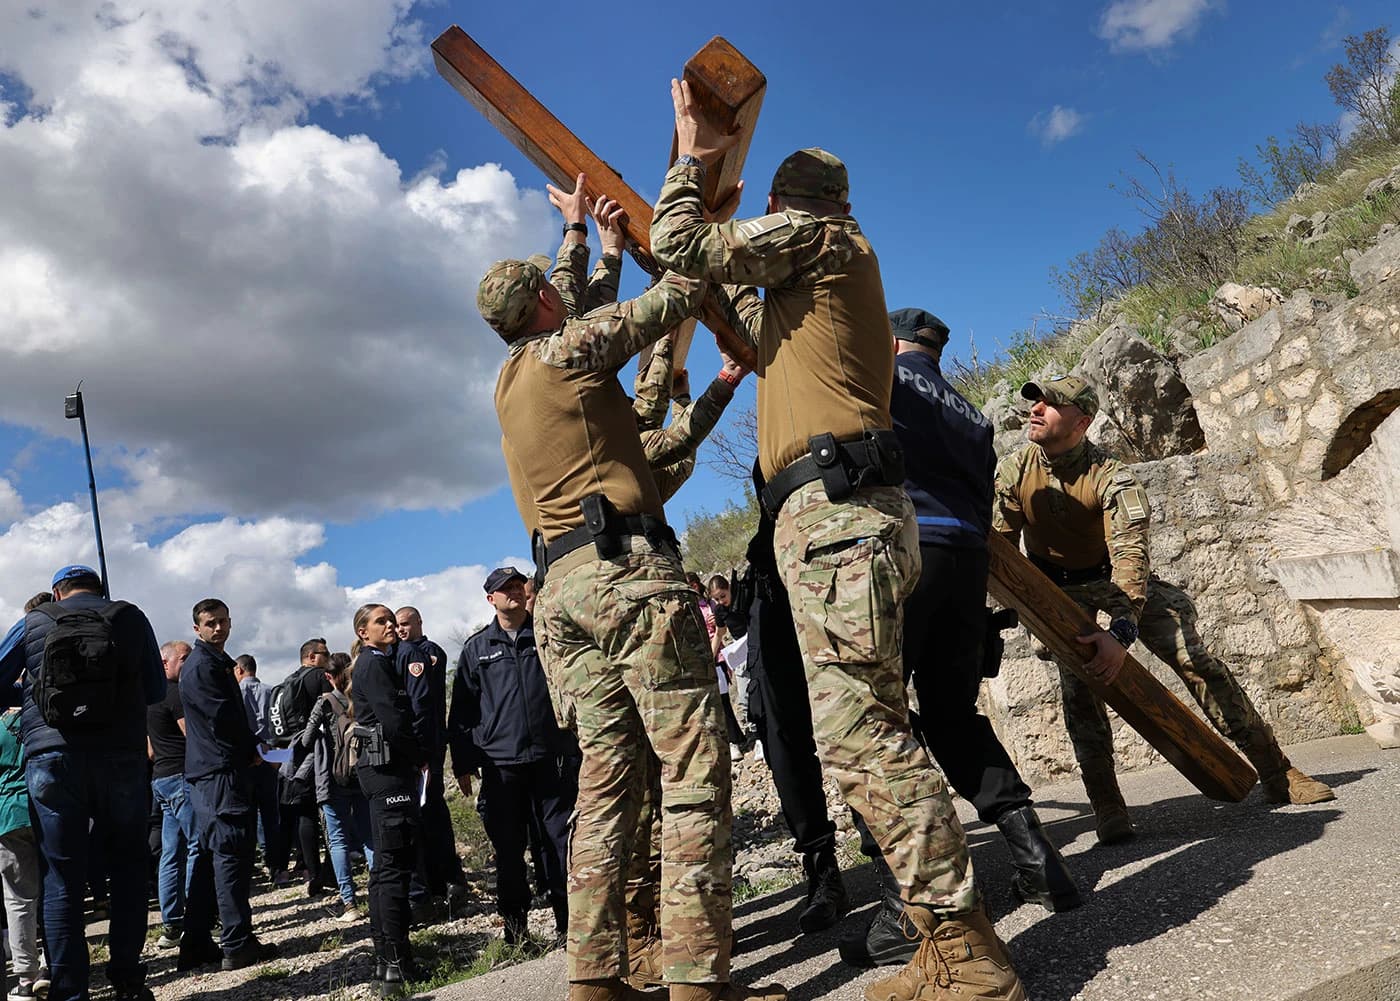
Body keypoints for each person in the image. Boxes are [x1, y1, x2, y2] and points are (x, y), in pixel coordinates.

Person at [652, 81, 1027, 1001]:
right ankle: (945, 945)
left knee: (865, 739)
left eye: (766, 216)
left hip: (839, 519)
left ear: (786, 210)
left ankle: (969, 955)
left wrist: (695, 158)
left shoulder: (817, 236)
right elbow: (731, 306)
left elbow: (679, 245)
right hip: (836, 516)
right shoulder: (817, 283)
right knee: (870, 730)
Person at [479, 168, 776, 1001]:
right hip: (628, 580)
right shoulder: (572, 347)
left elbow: (559, 302)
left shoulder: (508, 381)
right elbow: (674, 293)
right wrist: (697, 225)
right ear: (542, 302)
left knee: (605, 783)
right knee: (691, 768)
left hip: (562, 597)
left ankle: (594, 978)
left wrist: (583, 239)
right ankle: (696, 981)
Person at [993, 375, 1336, 842]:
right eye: (1034, 403)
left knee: (1197, 662)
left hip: (1115, 582)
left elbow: (1130, 558)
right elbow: (1003, 551)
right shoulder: (1014, 469)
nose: (1034, 410)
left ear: (1081, 422)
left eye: (1049, 406)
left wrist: (1120, 635)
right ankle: (1108, 807)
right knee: (1080, 692)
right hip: (1060, 593)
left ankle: (1278, 773)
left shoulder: (1113, 476)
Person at [0, 566, 166, 1001]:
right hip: (121, 756)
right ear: (100, 589)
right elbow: (154, 689)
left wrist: (32, 698)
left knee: (61, 875)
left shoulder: (35, 621)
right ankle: (128, 982)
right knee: (128, 868)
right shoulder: (129, 616)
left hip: (52, 757)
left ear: (57, 592)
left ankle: (70, 990)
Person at [450, 567, 579, 945]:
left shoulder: (547, 634)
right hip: (501, 766)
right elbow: (461, 712)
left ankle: (570, 926)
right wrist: (462, 763)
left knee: (560, 843)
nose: (513, 592)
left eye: (517, 585)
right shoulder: (476, 649)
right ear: (490, 599)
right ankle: (516, 932)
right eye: (503, 589)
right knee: (509, 851)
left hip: (551, 758)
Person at [179, 598, 278, 972]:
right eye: (210, 623)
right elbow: (221, 719)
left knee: (210, 858)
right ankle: (236, 942)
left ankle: (197, 944)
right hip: (220, 773)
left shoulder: (214, 663)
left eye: (222, 621)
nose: (218, 628)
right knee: (231, 855)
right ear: (197, 628)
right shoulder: (204, 665)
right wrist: (251, 748)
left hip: (213, 772)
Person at [350, 603, 426, 994]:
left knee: (384, 869)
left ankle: (388, 959)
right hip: (388, 772)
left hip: (382, 772)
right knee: (395, 867)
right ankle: (396, 964)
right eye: (381, 621)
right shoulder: (374, 664)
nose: (390, 625)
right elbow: (394, 720)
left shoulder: (377, 661)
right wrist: (420, 757)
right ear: (364, 632)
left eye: (390, 619)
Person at [395, 606, 467, 915]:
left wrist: (423, 749)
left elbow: (423, 703)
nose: (400, 629)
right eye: (396, 625)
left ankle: (447, 879)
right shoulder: (400, 652)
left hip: (430, 746)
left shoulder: (426, 653)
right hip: (417, 748)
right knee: (419, 817)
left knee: (433, 811)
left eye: (405, 624)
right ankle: (433, 880)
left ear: (418, 622)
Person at [298, 651, 373, 922]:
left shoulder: (325, 703)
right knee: (369, 835)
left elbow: (306, 740)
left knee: (338, 840)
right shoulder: (361, 697)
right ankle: (379, 895)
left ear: (328, 676)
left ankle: (349, 903)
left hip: (331, 779)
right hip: (363, 775)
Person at [0, 592, 50, 1000]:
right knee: (57, 888)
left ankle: (25, 976)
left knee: (18, 898)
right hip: (50, 803)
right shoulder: (49, 705)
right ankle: (58, 963)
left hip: (8, 812)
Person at [147, 640, 201, 950]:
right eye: (184, 658)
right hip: (181, 777)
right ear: (166, 663)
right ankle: (197, 915)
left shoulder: (148, 698)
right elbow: (191, 736)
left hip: (161, 779)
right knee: (196, 846)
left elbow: (151, 750)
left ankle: (171, 924)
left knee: (171, 853)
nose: (188, 662)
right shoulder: (175, 693)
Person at [279, 639, 334, 894]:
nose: (329, 658)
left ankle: (311, 871)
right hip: (318, 752)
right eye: (326, 654)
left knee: (305, 813)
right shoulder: (318, 677)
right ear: (312, 656)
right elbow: (330, 711)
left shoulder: (286, 683)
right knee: (329, 810)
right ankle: (331, 872)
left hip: (292, 753)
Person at [234, 652, 284, 884]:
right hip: (270, 758)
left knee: (248, 816)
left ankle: (248, 867)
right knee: (271, 815)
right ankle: (276, 866)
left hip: (245, 760)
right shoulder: (272, 691)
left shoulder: (236, 694)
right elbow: (279, 727)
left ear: (239, 670)